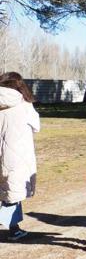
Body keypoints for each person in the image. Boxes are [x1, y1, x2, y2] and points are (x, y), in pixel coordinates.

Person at [0, 72, 39, 241]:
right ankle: (13, 229)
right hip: (15, 154)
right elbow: (36, 126)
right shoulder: (24, 104)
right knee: (12, 190)